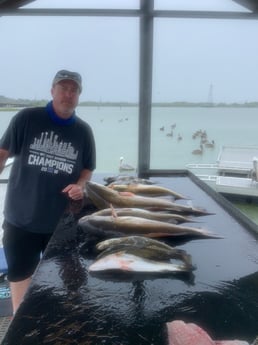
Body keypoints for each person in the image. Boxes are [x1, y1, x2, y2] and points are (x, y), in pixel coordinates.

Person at [0, 69, 96, 313]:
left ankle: (67, 321)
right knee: (21, 280)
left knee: (70, 282)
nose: (68, 94)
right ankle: (19, 327)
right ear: (52, 90)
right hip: (21, 221)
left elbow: (87, 169)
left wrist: (80, 185)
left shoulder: (83, 131)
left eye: (74, 90)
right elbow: (2, 154)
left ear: (79, 95)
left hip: (62, 223)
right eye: (63, 88)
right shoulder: (26, 118)